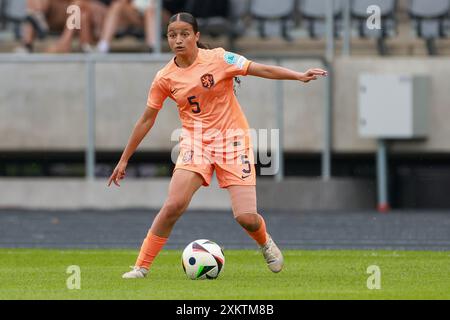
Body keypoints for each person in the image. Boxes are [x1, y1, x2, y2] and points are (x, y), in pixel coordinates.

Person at [107, 12, 327, 279]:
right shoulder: (164, 77)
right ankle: (141, 267)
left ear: (197, 36)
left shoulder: (220, 58)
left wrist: (298, 76)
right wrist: (124, 159)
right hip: (195, 142)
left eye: (184, 34)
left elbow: (261, 69)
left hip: (233, 142)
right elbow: (145, 120)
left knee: (246, 217)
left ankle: (265, 242)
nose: (178, 40)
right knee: (174, 204)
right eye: (172, 35)